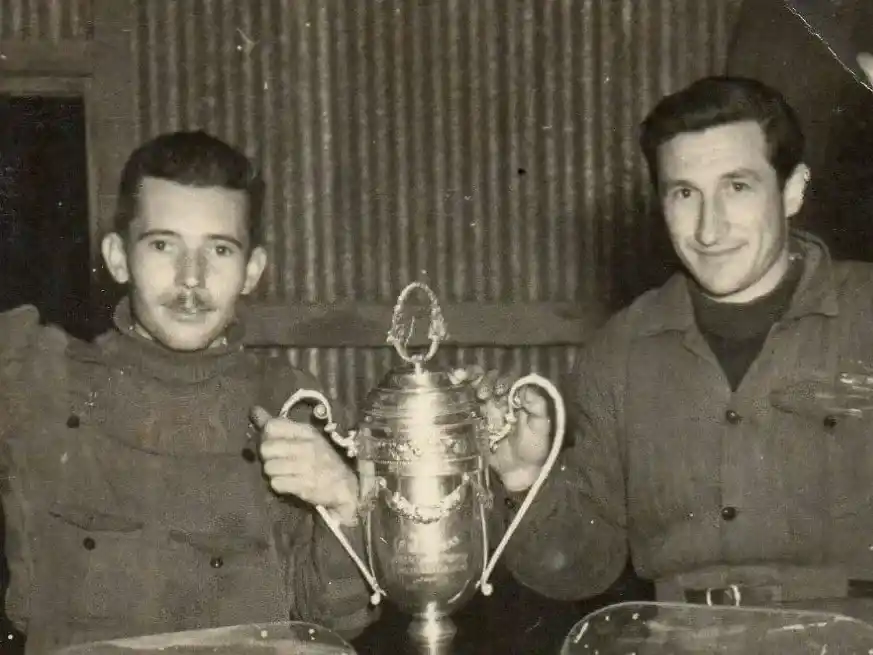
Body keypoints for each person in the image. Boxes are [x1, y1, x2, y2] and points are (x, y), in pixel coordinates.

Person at [467, 75, 873, 621]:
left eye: (737, 186)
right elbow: (580, 569)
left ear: (793, 189)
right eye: (685, 193)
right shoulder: (618, 352)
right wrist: (524, 478)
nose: (709, 228)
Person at [0, 131, 374, 653]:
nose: (191, 278)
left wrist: (343, 503)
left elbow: (335, 617)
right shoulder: (35, 375)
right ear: (117, 257)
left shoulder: (292, 401)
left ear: (252, 271)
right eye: (162, 245)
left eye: (219, 249)